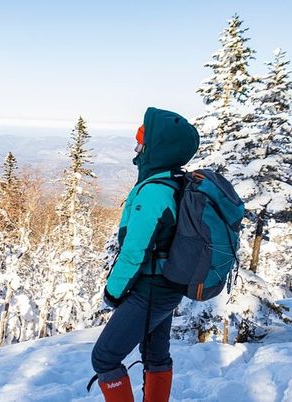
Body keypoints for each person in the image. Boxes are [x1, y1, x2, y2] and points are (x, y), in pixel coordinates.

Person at [91, 107, 200, 402]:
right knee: (155, 355)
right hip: (168, 285)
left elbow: (133, 253)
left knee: (104, 358)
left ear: (157, 147)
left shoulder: (154, 192)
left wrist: (112, 294)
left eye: (142, 141)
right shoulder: (176, 181)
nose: (136, 148)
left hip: (151, 289)